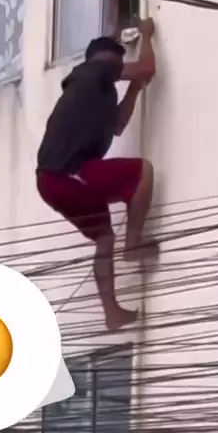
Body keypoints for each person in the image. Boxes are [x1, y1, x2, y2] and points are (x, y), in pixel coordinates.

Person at [36, 17, 158, 332]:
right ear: (106, 60)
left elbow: (117, 125)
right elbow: (146, 68)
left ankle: (111, 312)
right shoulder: (95, 70)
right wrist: (146, 35)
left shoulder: (91, 90)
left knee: (104, 237)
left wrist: (134, 89)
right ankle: (134, 242)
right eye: (116, 62)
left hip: (55, 180)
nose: (118, 68)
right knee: (142, 172)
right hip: (67, 174)